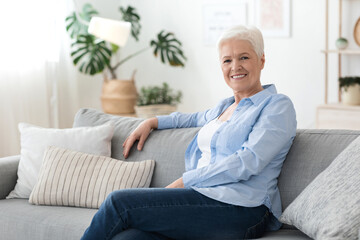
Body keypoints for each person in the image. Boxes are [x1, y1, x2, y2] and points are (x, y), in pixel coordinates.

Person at [81, 25, 297, 240]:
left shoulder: (276, 106)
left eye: (244, 58)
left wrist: (185, 181)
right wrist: (152, 121)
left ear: (261, 60)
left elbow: (247, 162)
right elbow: (191, 118)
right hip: (201, 198)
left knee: (118, 203)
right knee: (128, 238)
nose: (235, 67)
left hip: (244, 209)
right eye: (227, 60)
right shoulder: (224, 107)